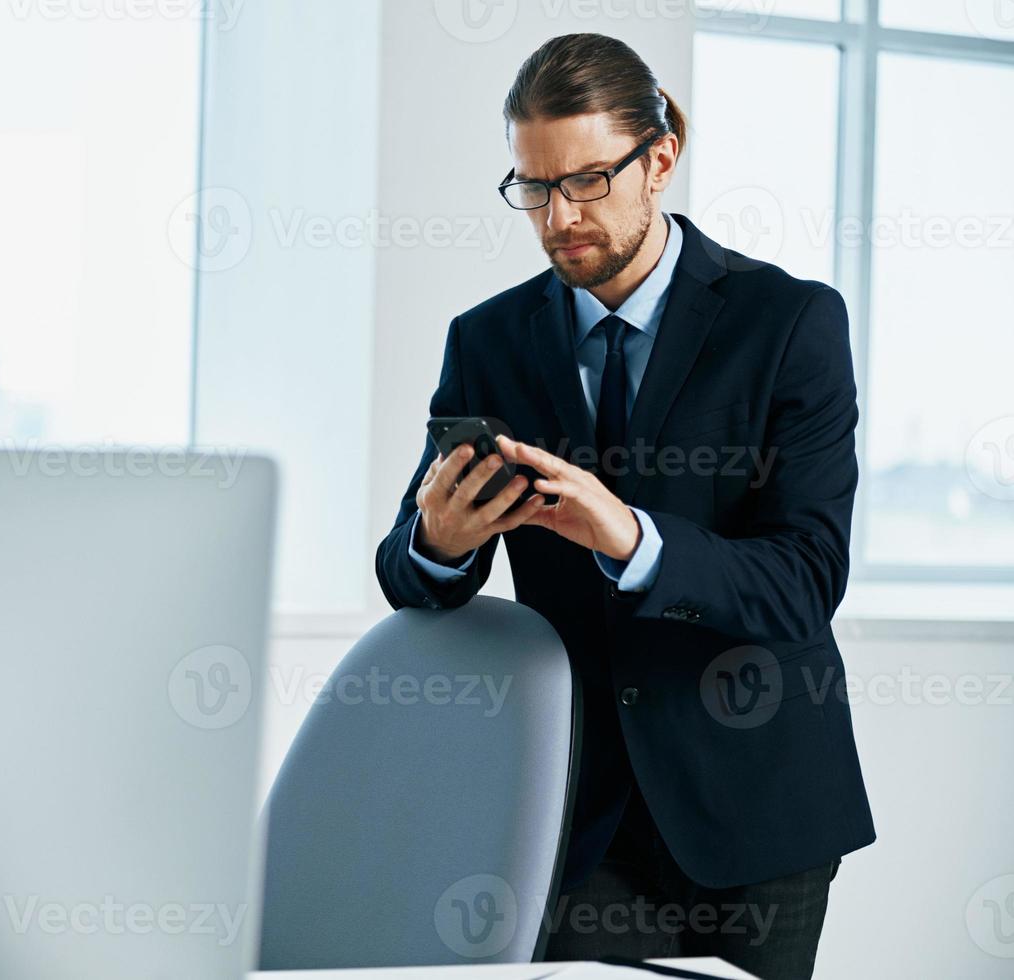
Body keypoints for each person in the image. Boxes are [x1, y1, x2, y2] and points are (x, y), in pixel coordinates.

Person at [374, 32, 875, 979]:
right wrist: (438, 542)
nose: (560, 215)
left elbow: (807, 580)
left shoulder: (790, 324)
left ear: (660, 159)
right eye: (535, 187)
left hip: (759, 803)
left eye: (589, 181)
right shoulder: (485, 341)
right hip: (580, 808)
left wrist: (635, 540)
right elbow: (409, 572)